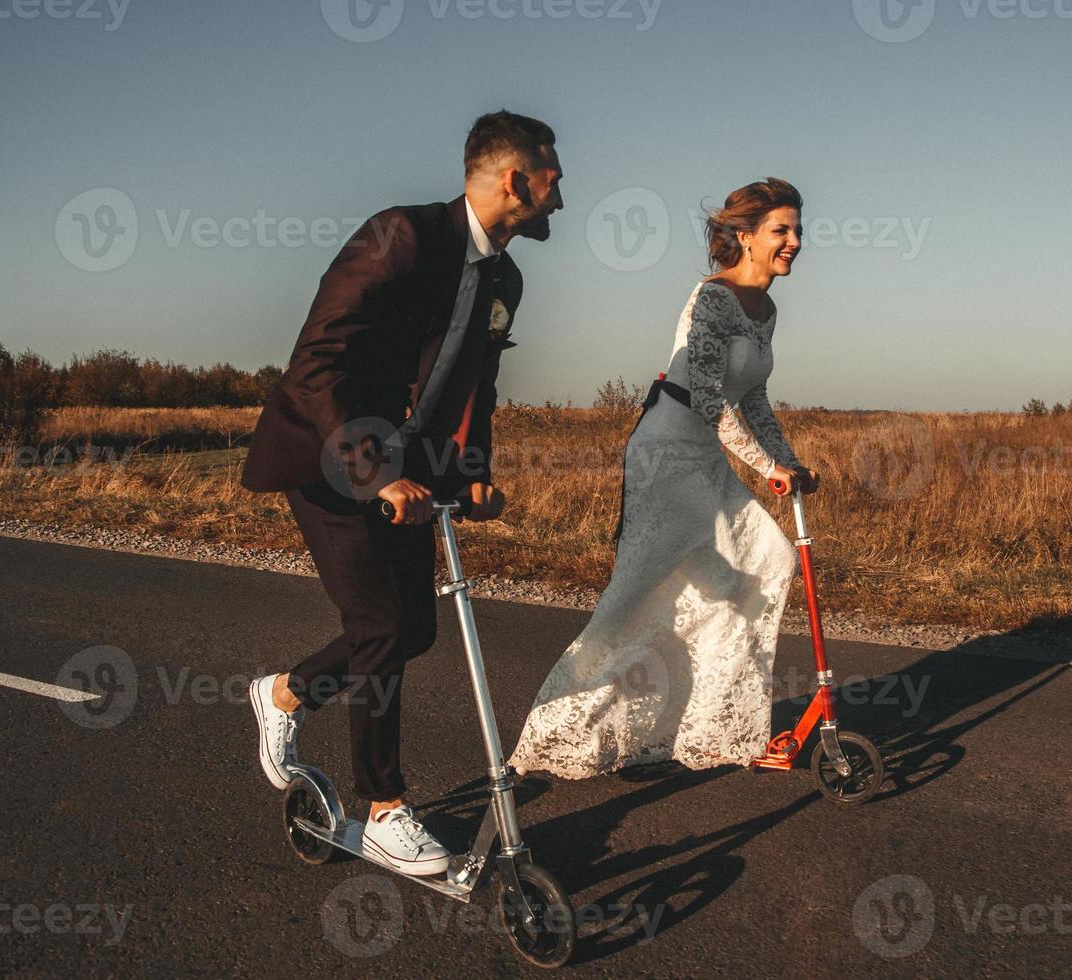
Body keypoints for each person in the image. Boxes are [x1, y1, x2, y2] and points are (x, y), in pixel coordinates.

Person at [240, 111, 563, 875]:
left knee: (412, 630)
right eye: (554, 174)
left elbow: (474, 384)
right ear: (516, 180)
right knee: (379, 624)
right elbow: (314, 363)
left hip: (407, 468)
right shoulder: (402, 235)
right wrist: (374, 471)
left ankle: (285, 694)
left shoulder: (505, 277)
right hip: (327, 453)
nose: (561, 191)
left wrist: (472, 472)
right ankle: (384, 808)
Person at [507, 177, 818, 779]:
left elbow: (751, 399)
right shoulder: (712, 299)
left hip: (706, 459)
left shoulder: (766, 309)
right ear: (746, 237)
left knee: (768, 564)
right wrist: (764, 466)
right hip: (666, 455)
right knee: (640, 599)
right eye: (782, 230)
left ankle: (712, 725)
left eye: (799, 230)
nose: (795, 242)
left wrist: (789, 461)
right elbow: (706, 396)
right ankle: (558, 728)